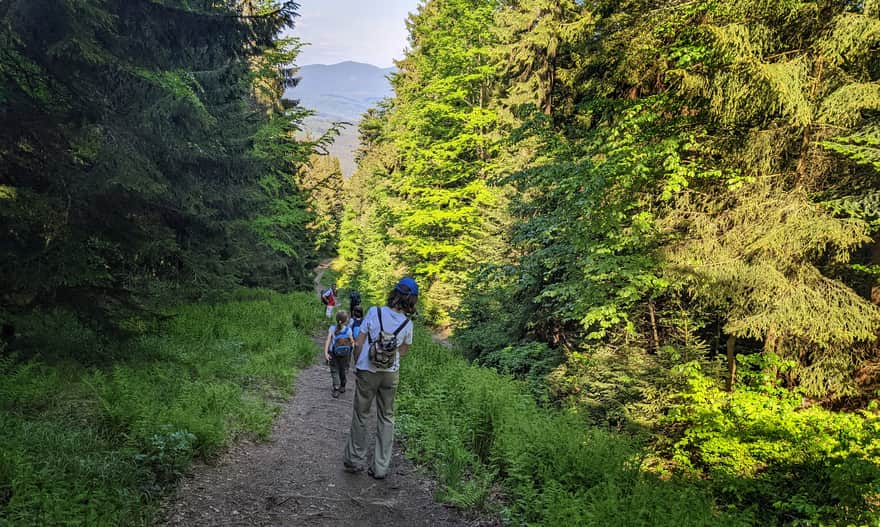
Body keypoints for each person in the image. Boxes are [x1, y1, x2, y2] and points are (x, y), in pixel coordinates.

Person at [343, 277, 418, 480]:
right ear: (412, 300)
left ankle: (354, 460)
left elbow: (358, 343)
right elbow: (403, 351)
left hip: (368, 371)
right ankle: (380, 467)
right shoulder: (407, 323)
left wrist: (357, 365)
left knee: (361, 415)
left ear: (394, 293)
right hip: (390, 374)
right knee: (386, 417)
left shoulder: (374, 312)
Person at [324, 310, 354, 399]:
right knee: (343, 369)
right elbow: (352, 342)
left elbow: (328, 340)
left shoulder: (332, 328)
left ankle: (336, 387)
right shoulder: (348, 330)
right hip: (345, 354)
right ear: (346, 321)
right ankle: (343, 385)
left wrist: (326, 353)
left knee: (334, 370)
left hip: (333, 353)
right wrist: (351, 350)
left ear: (337, 319)